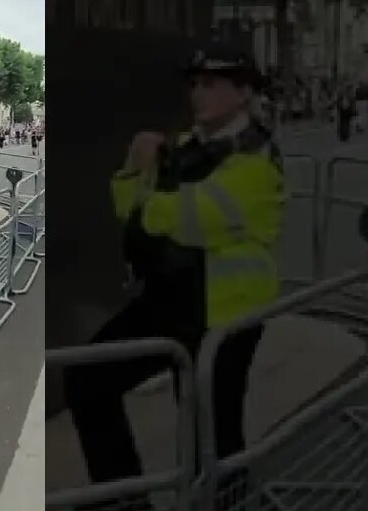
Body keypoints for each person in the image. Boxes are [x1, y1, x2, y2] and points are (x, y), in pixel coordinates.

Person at [63, 44, 283, 510]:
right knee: (87, 380)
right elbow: (127, 205)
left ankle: (238, 504)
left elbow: (186, 218)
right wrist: (132, 167)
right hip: (169, 299)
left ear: (243, 92)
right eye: (194, 84)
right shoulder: (186, 146)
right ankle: (125, 501)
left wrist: (147, 191)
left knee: (214, 436)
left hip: (224, 313)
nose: (198, 94)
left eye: (212, 84)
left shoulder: (256, 160)